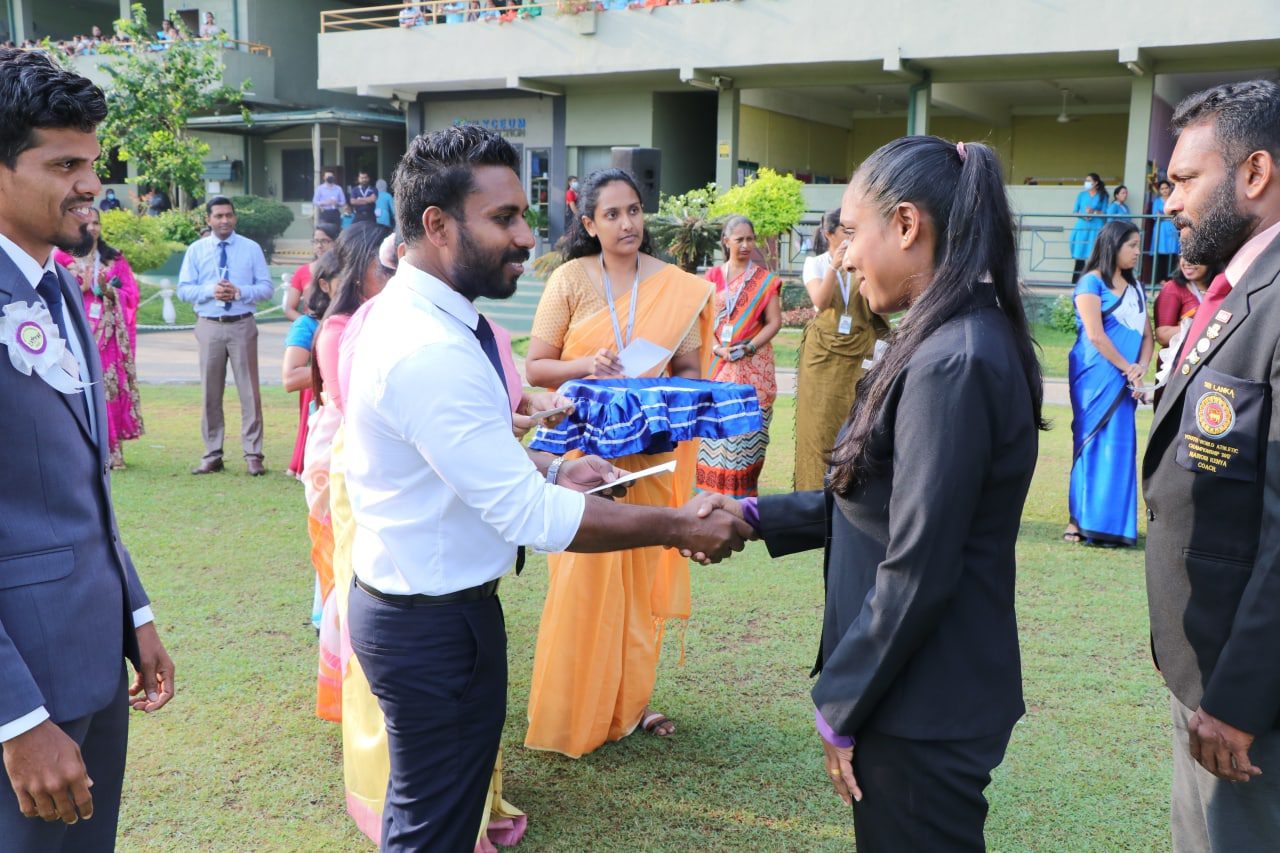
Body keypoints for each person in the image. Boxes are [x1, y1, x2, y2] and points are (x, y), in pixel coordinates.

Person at [341, 125, 749, 850]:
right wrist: (678, 525)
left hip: (436, 613)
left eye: (524, 216)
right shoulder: (427, 348)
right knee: (434, 828)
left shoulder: (436, 320)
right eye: (503, 218)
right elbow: (529, 516)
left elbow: (466, 459)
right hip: (430, 627)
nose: (527, 237)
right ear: (437, 225)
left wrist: (557, 468)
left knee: (433, 813)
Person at [693, 135, 1044, 852]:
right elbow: (882, 500)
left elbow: (920, 560)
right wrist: (754, 514)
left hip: (918, 698)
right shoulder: (949, 334)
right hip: (914, 687)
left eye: (852, 233)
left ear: (907, 225)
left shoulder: (953, 359)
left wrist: (841, 702)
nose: (844, 257)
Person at [0, 47, 174, 853]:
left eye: (92, 162)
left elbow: (78, 485)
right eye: (63, 164)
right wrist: (16, 716)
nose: (90, 184)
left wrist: (133, 612)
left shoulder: (61, 285)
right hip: (23, 694)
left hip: (92, 658)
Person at [523, 167, 714, 755]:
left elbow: (690, 373)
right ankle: (573, 709)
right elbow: (536, 367)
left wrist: (655, 392)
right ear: (589, 224)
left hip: (648, 454)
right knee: (583, 581)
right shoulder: (571, 280)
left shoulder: (675, 286)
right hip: (582, 455)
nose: (627, 222)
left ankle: (630, 703)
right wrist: (588, 366)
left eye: (634, 210)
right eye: (612, 214)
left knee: (637, 580)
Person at [1144, 79, 1280, 852]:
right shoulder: (1236, 287)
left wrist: (1239, 697)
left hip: (1250, 703)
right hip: (1206, 675)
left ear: (1255, 173)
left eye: (1185, 179)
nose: (1168, 202)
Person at [303, 222, 392, 722]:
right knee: (347, 570)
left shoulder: (377, 319)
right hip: (340, 458)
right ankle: (352, 686)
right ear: (360, 270)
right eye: (385, 267)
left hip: (362, 451)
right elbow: (349, 401)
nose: (394, 277)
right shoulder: (339, 328)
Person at [1063, 220, 1151, 546]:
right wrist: (1129, 369)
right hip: (1095, 375)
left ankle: (1115, 525)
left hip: (1126, 379)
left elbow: (1147, 336)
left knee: (1121, 446)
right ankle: (1078, 521)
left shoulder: (1137, 287)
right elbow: (1096, 336)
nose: (1138, 252)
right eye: (1132, 245)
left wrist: (1140, 368)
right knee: (1090, 442)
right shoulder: (1091, 282)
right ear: (1113, 245)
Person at [176, 195, 274, 476]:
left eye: (229, 215)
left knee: (249, 392)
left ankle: (253, 454)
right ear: (208, 219)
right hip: (209, 325)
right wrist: (211, 291)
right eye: (218, 216)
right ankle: (212, 454)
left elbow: (266, 288)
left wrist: (239, 291)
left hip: (242, 324)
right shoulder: (196, 250)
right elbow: (184, 290)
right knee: (210, 391)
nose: (224, 220)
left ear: (235, 217)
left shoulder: (250, 248)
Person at [793, 208, 888, 490]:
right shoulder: (815, 263)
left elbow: (878, 303)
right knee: (819, 425)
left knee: (858, 421)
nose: (850, 238)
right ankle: (813, 491)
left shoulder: (862, 263)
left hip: (859, 352)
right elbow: (820, 302)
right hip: (822, 356)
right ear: (828, 234)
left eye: (853, 231)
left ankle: (852, 490)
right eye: (845, 232)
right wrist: (834, 267)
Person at [695, 215, 781, 497]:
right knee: (715, 437)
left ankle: (741, 505)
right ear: (726, 241)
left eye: (750, 239)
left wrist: (749, 347)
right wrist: (716, 348)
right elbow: (702, 321)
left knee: (746, 440)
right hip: (718, 365)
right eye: (739, 239)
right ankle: (709, 501)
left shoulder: (764, 281)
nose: (745, 245)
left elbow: (774, 322)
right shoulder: (712, 277)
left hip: (753, 368)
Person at [53, 208, 143, 469]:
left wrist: (110, 292)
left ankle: (112, 450)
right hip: (75, 330)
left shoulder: (114, 259)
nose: (92, 227)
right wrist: (77, 286)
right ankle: (82, 450)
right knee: (81, 386)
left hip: (108, 332)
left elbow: (131, 294)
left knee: (108, 388)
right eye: (87, 222)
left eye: (96, 223)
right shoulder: (62, 256)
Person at [284, 251, 339, 481]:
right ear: (324, 285)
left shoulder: (361, 317)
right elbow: (291, 378)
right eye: (344, 279)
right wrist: (336, 370)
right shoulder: (306, 325)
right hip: (324, 407)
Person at [285, 222, 339, 322]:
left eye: (325, 241)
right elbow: (289, 309)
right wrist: (309, 323)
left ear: (337, 242)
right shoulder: (302, 271)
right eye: (316, 241)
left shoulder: (346, 269)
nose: (319, 246)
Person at [1069, 172, 1108, 282]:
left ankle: (1092, 282)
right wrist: (1083, 215)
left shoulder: (1103, 196)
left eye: (1089, 181)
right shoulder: (1081, 195)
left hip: (1096, 227)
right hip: (1082, 227)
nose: (1086, 182)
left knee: (1094, 255)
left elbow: (1105, 212)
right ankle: (1076, 282)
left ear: (1096, 183)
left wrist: (1094, 212)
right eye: (1086, 180)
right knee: (1080, 255)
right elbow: (1075, 211)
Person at [1151, 179, 1182, 282]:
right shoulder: (1157, 201)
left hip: (1172, 228)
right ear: (1159, 190)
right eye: (1162, 189)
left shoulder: (1174, 200)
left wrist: (1164, 215)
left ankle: (1170, 279)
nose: (1164, 190)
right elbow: (1155, 215)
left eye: (1166, 188)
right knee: (1160, 254)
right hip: (1160, 229)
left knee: (1172, 253)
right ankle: (1160, 279)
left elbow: (1176, 214)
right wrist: (1168, 216)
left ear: (1170, 189)